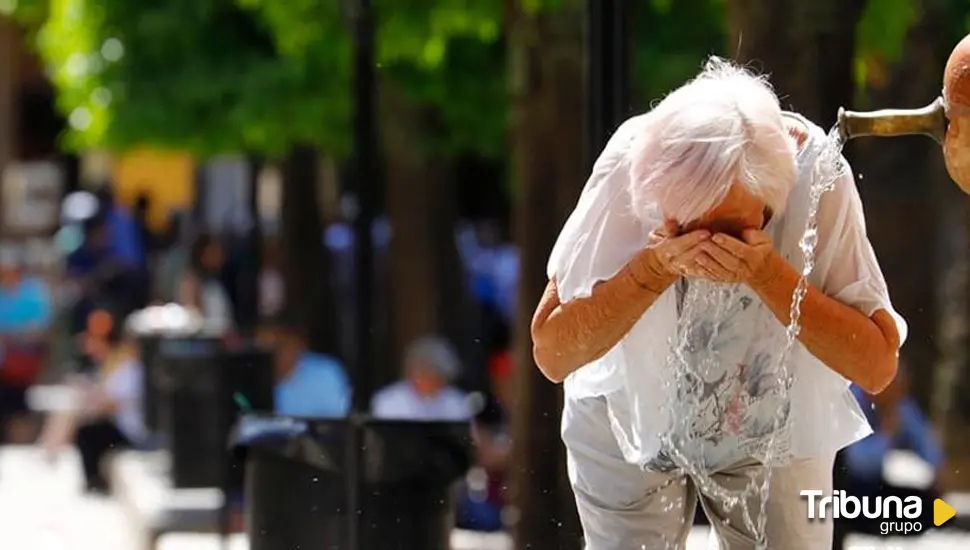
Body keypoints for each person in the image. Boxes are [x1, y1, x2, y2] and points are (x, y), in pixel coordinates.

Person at [530, 58, 906, 550]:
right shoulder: (632, 161)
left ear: (772, 204)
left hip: (775, 419)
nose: (706, 252)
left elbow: (876, 364)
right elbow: (553, 352)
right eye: (685, 228)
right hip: (626, 414)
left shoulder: (815, 173)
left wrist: (767, 273)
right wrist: (654, 268)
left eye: (729, 232)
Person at [832, 365, 944, 546]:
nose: (897, 393)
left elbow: (929, 447)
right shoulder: (852, 400)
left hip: (876, 488)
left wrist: (938, 470)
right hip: (848, 489)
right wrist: (887, 433)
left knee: (932, 505)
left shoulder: (899, 406)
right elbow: (858, 462)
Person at [0, 253, 52, 443]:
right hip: (4, 363)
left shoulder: (34, 294)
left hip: (23, 365)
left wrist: (12, 337)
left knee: (18, 409)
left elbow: (40, 332)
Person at [371, 336, 470, 421]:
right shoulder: (388, 401)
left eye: (440, 377)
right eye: (428, 374)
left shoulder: (458, 401)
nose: (434, 382)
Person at [274, 327, 351, 418]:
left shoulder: (325, 373)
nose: (275, 354)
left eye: (280, 345)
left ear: (298, 344)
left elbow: (335, 424)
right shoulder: (255, 378)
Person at [178, 234, 233, 331]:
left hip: (221, 338)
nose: (219, 257)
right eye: (213, 252)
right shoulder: (190, 282)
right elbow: (193, 319)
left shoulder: (218, 283)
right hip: (199, 341)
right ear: (202, 254)